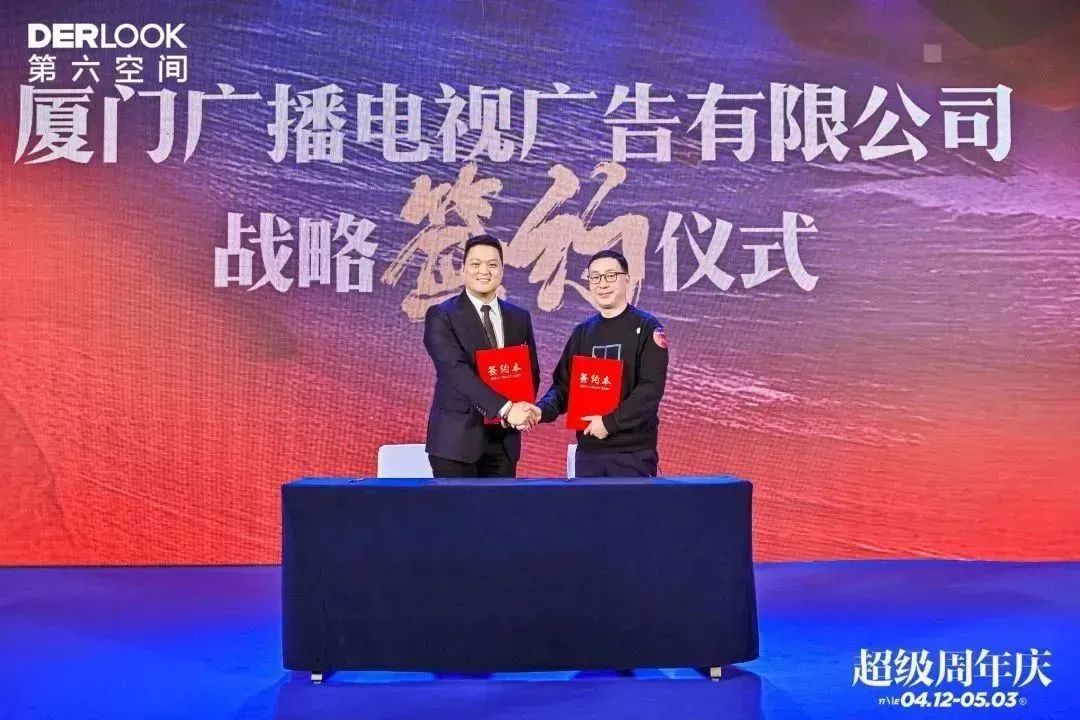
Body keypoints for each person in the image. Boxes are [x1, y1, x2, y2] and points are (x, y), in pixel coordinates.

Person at [536, 249, 668, 477]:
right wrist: (541, 410)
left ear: (627, 279)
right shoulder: (582, 332)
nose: (602, 284)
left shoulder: (648, 328)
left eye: (610, 276)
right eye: (595, 277)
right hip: (589, 452)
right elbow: (563, 387)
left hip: (632, 453)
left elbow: (650, 390)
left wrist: (609, 423)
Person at [423, 234, 541, 477]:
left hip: (504, 441)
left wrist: (521, 410)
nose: (484, 271)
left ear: (502, 270)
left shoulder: (519, 317)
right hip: (456, 443)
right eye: (476, 264)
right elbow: (456, 371)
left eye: (492, 264)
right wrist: (506, 409)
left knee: (501, 504)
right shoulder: (442, 315)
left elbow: (530, 371)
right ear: (463, 269)